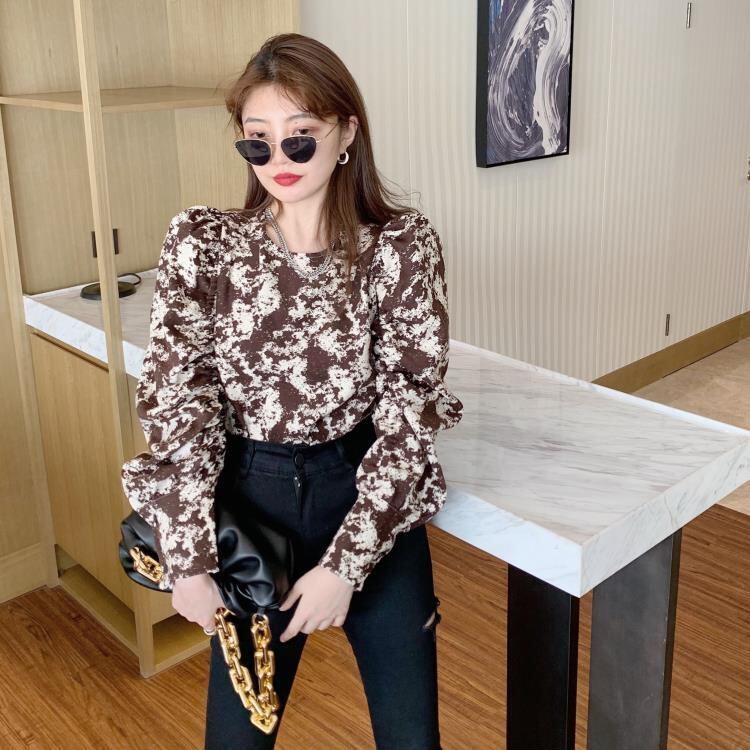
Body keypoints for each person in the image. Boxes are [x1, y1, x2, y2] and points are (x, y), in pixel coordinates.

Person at [120, 32, 463, 750]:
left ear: (346, 133)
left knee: (411, 738)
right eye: (258, 141)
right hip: (252, 504)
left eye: (300, 137)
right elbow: (180, 400)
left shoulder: (399, 248)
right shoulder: (204, 244)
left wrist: (345, 566)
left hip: (366, 498)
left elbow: (409, 411)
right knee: (236, 740)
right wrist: (188, 556)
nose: (279, 158)